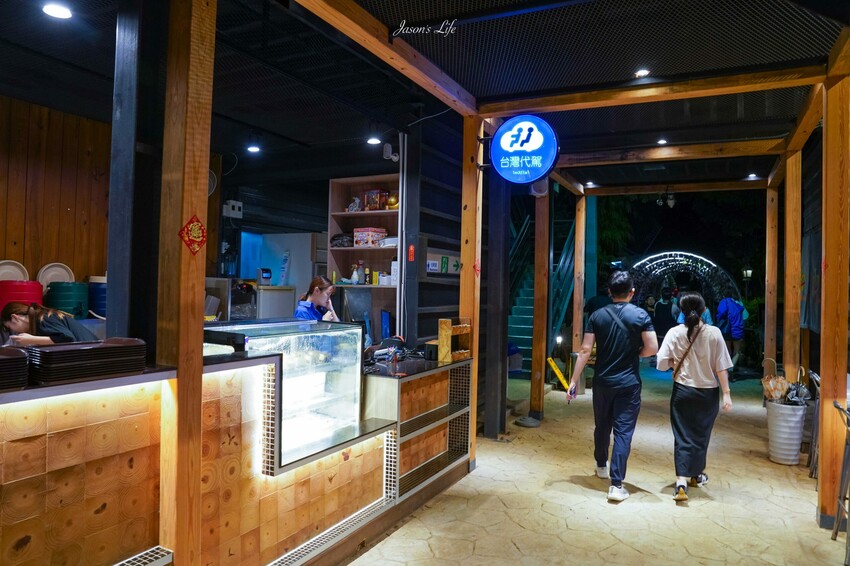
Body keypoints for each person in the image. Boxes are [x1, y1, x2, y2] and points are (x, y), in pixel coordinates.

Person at [568, 271, 658, 502]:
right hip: (629, 383)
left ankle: (601, 465)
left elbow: (585, 350)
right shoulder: (640, 315)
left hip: (602, 382)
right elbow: (652, 348)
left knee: (602, 426)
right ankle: (616, 485)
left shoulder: (597, 316)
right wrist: (637, 353)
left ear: (610, 292)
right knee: (623, 432)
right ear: (632, 292)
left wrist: (573, 381)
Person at [656, 292, 733, 502]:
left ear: (681, 310)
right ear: (704, 310)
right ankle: (696, 476)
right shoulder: (714, 333)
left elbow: (661, 363)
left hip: (682, 392)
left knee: (683, 436)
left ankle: (681, 481)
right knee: (701, 436)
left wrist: (673, 364)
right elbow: (722, 367)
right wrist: (726, 394)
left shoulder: (674, 333)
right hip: (708, 393)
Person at [1, 302, 99, 346]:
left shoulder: (43, 318)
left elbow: (67, 339)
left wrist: (30, 339)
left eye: (9, 327)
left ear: (15, 318)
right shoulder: (39, 320)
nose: (13, 331)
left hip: (93, 356)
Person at [716, 289, 747, 368]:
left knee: (727, 350)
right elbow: (745, 316)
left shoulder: (724, 302)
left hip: (727, 330)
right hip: (738, 330)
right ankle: (732, 366)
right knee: (737, 351)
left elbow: (721, 312)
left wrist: (718, 317)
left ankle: (728, 368)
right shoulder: (737, 303)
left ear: (723, 295)